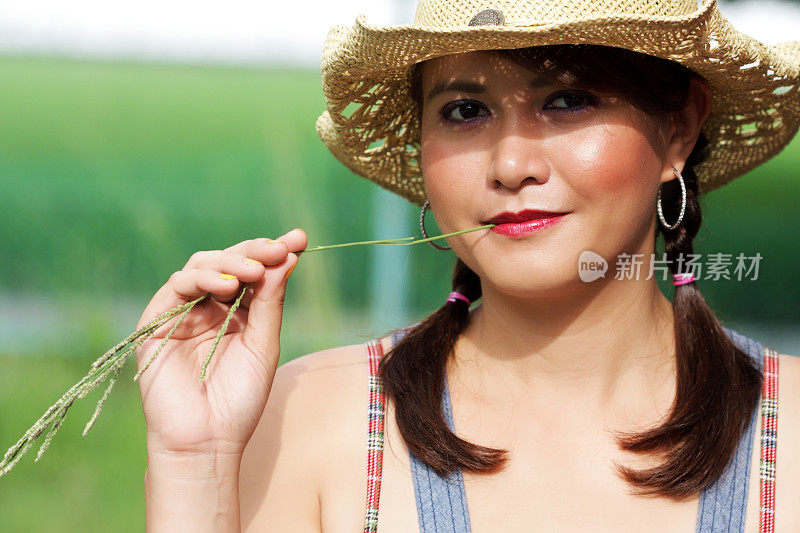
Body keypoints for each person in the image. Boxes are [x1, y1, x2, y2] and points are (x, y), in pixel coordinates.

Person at [136, 0, 800, 531]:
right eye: (465, 110)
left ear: (678, 130)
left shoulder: (790, 432)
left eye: (567, 100)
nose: (512, 165)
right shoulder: (310, 422)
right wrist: (195, 461)